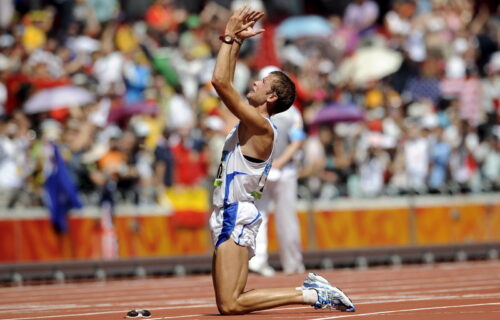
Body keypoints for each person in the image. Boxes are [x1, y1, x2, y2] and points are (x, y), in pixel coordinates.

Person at [209, 6, 355, 315]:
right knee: (232, 301)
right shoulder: (254, 123)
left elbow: (221, 83)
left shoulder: (261, 127)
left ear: (271, 98)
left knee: (229, 303)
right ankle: (311, 294)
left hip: (234, 212)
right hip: (237, 211)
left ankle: (309, 294)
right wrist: (236, 41)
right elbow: (229, 81)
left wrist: (227, 36)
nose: (253, 84)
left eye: (261, 84)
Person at [249, 66, 306, 276]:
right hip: (264, 170)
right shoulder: (256, 111)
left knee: (283, 217)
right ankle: (259, 261)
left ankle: (290, 262)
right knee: (259, 215)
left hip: (283, 170)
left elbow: (298, 141)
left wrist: (278, 163)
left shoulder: (291, 113)